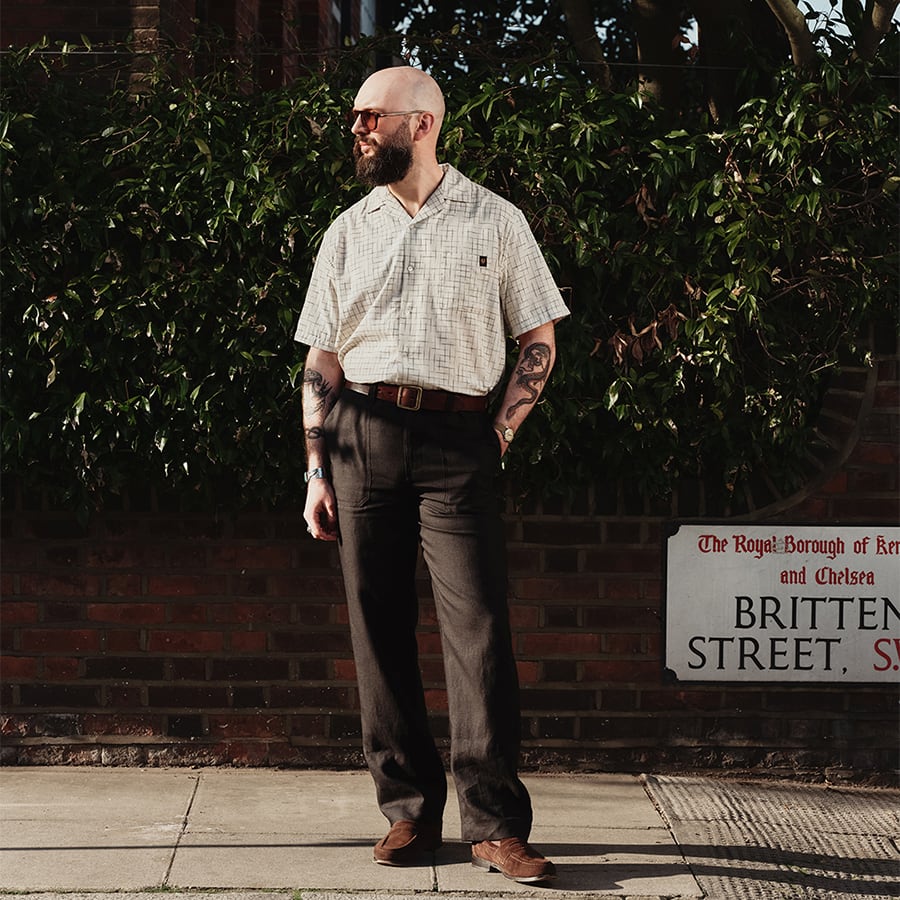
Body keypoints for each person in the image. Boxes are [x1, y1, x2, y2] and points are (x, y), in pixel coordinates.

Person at [294, 65, 570, 886]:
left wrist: (502, 433)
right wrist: (316, 469)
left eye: (369, 117)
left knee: (478, 627)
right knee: (377, 629)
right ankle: (408, 811)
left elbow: (541, 336)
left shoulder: (496, 219)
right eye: (355, 118)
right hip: (360, 438)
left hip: (459, 440)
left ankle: (494, 825)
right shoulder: (348, 229)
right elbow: (322, 359)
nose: (357, 129)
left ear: (421, 124)